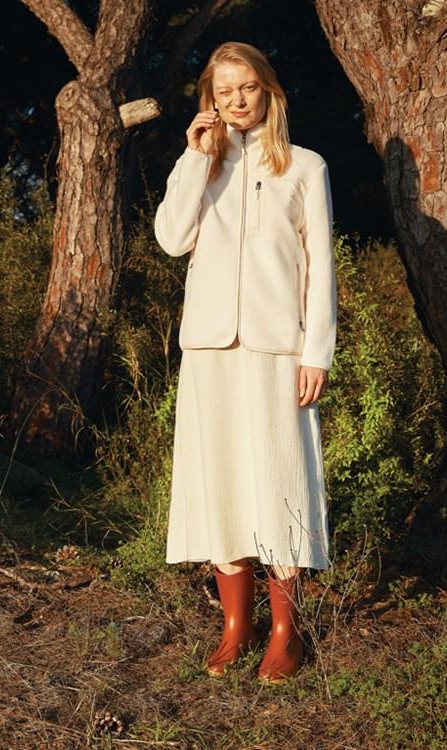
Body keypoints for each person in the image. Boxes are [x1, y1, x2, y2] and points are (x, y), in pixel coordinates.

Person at [154, 41, 337, 685]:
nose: (236, 100)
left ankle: (285, 633)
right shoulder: (200, 164)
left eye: (247, 88)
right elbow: (171, 239)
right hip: (210, 350)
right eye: (224, 90)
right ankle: (237, 627)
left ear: (268, 91)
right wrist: (192, 158)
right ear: (210, 98)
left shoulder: (306, 167)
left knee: (282, 479)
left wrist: (316, 352)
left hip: (277, 350)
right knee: (220, 482)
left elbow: (320, 269)